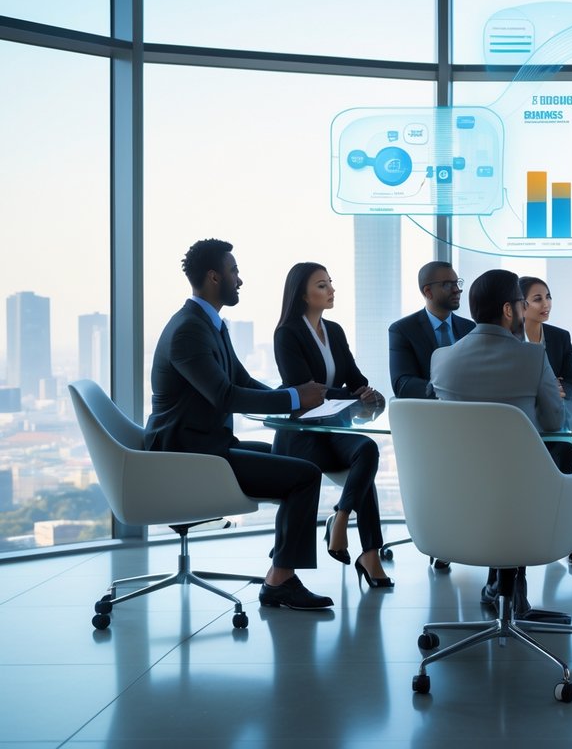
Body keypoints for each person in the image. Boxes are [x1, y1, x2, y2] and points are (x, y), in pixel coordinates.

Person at [144, 239, 332, 611]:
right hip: (185, 455)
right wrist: (295, 399)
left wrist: (295, 401)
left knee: (281, 456)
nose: (240, 280)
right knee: (306, 475)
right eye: (234, 272)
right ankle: (281, 579)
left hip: (205, 445)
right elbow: (225, 396)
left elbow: (242, 380)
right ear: (214, 277)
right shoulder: (188, 331)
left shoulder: (209, 324)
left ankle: (281, 567)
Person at [430, 269, 569, 618]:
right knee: (519, 477)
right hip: (523, 498)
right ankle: (511, 591)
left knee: (499, 479)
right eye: (524, 304)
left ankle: (502, 587)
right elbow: (555, 422)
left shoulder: (441, 359)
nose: (526, 312)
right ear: (509, 310)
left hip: (456, 495)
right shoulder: (533, 358)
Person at [271, 262, 392, 589]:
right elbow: (304, 389)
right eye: (322, 285)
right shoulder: (287, 333)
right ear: (302, 294)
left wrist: (365, 392)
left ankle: (343, 520)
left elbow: (354, 379)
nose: (331, 290)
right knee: (363, 477)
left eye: (330, 283)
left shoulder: (334, 331)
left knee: (366, 448)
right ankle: (368, 550)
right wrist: (348, 395)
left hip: (335, 429)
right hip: (303, 434)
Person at [520, 275, 572, 564]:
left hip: (556, 417)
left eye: (548, 297)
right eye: (538, 299)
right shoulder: (509, 339)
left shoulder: (559, 336)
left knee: (566, 453)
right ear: (520, 306)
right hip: (521, 423)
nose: (546, 304)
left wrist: (562, 389)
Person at [388, 261, 475, 399]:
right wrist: (449, 391)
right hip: (428, 414)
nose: (457, 289)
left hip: (470, 411)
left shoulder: (470, 328)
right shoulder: (403, 330)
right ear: (428, 291)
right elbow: (402, 384)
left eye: (457, 283)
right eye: (448, 284)